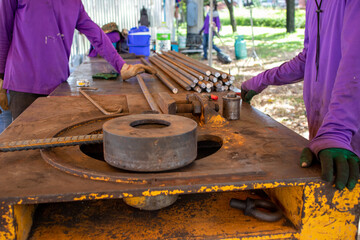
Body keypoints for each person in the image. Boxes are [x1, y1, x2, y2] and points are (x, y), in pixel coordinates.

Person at [241, 0, 360, 190]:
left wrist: (337, 130)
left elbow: (356, 59)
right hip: (324, 130)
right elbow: (309, 57)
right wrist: (261, 80)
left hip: (347, 129)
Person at [0, 0, 154, 120]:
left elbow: (96, 34)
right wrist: (0, 77)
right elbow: (2, 31)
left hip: (57, 86)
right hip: (23, 85)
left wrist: (121, 66)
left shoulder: (74, 3)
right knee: (24, 150)